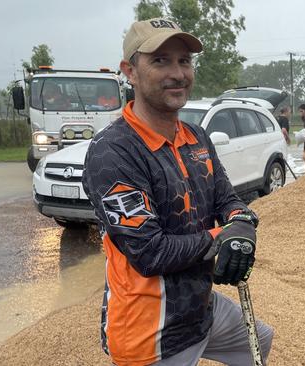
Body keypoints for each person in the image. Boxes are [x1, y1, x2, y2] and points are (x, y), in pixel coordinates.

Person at [82, 18, 273, 366]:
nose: (177, 73)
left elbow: (227, 199)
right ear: (131, 71)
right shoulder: (113, 152)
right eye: (160, 60)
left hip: (200, 310)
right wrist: (223, 236)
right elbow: (151, 252)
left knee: (260, 339)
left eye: (184, 61)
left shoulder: (196, 137)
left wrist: (242, 224)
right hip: (149, 332)